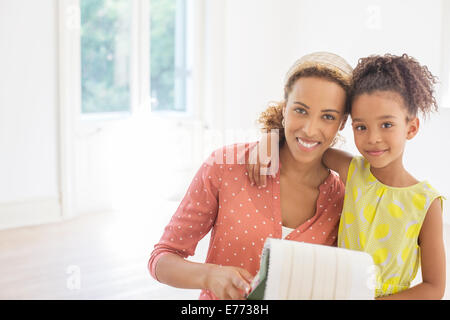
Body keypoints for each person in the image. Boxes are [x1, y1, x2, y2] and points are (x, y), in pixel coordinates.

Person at [148, 52, 352, 300]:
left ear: (341, 123)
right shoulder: (226, 167)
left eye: (328, 116)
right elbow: (162, 258)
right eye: (301, 110)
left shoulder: (342, 200)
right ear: (285, 108)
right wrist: (209, 276)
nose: (310, 129)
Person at [248, 53, 446, 299]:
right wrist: (268, 140)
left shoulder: (427, 202)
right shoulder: (353, 171)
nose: (373, 138)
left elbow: (434, 287)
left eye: (386, 125)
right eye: (361, 127)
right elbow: (307, 144)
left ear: (411, 127)